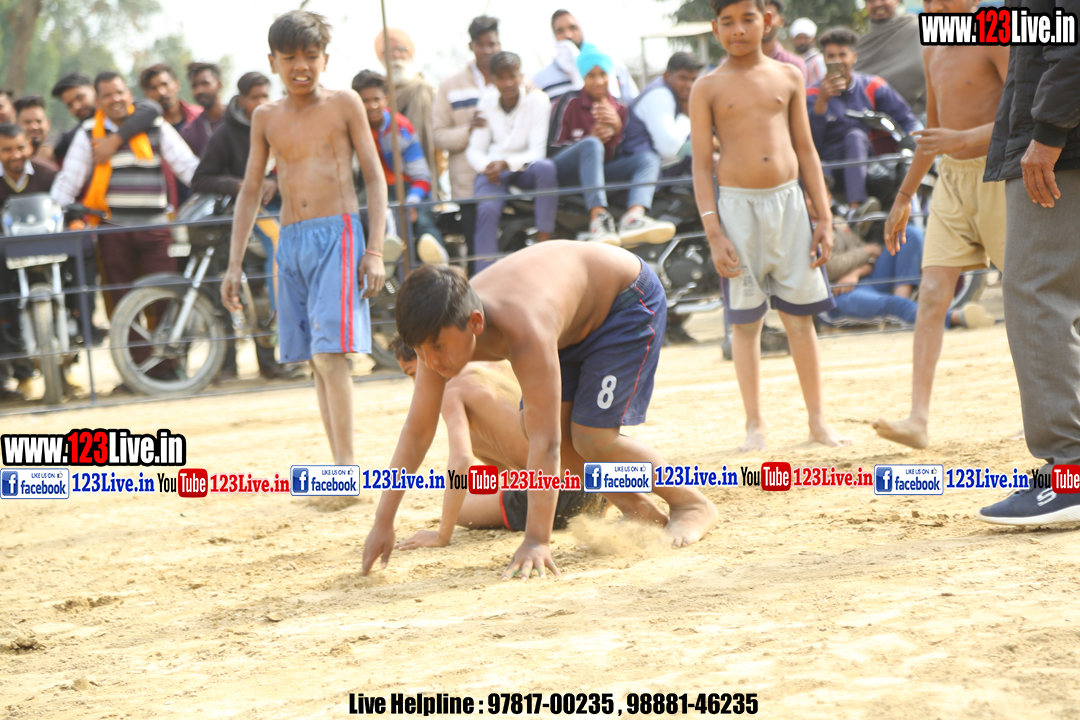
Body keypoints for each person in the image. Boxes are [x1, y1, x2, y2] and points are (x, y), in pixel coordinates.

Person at [361, 245, 719, 580]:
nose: (430, 361)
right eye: (420, 351)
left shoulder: (523, 327)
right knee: (533, 427)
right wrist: (383, 521)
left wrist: (536, 540)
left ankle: (690, 504)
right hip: (568, 321)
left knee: (591, 437)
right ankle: (639, 511)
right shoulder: (434, 341)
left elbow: (546, 443)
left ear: (475, 323)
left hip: (623, 301)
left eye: (437, 347)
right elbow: (417, 432)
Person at [220, 10, 387, 465]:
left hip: (339, 236)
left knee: (331, 356)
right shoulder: (265, 116)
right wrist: (234, 265)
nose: (301, 66)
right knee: (316, 358)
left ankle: (346, 471)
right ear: (272, 61)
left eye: (310, 55)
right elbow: (250, 191)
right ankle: (339, 468)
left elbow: (374, 177)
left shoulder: (345, 103)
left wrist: (374, 249)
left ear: (325, 59)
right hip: (290, 241)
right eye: (290, 56)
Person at [691, 0, 850, 452]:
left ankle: (818, 422)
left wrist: (824, 217)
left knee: (800, 320)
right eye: (727, 22)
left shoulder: (789, 76)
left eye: (747, 19)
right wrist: (714, 232)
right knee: (746, 325)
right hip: (736, 210)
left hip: (790, 206)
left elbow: (806, 150)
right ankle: (754, 425)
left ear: (767, 21)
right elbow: (701, 165)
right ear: (715, 29)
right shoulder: (706, 87)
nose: (738, 30)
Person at [872, 0, 1008, 450]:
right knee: (931, 293)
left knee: (1029, 299)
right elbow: (932, 130)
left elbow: (1024, 114)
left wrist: (964, 138)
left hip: (1001, 175)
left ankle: (1051, 412)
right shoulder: (932, 47)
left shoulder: (997, 33)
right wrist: (904, 196)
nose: (934, 6)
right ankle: (918, 419)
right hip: (950, 180)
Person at [974, 0, 1080, 525]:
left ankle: (1069, 473)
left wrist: (1048, 132)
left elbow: (1071, 41)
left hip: (1064, 148)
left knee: (1037, 291)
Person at [388, 336, 636, 549]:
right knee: (482, 474)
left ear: (429, 359)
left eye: (414, 374)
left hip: (559, 496)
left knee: (458, 505)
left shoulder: (451, 390)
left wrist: (442, 534)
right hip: (600, 480)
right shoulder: (495, 362)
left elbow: (462, 458)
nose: (417, 386)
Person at [50, 72, 199, 319]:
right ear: (98, 101)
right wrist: (52, 213)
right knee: (122, 302)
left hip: (155, 229)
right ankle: (132, 347)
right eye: (107, 95)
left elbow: (188, 168)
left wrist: (217, 185)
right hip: (113, 231)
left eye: (120, 92)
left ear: (129, 95)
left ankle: (168, 346)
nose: (115, 99)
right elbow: (68, 182)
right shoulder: (89, 133)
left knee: (165, 298)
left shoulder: (156, 126)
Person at [191, 71, 299, 381]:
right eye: (255, 97)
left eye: (266, 95)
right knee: (276, 244)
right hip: (245, 215)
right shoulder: (226, 134)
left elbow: (296, 166)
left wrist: (275, 183)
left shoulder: (283, 124)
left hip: (287, 207)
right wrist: (242, 185)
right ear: (241, 100)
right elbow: (202, 178)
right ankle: (279, 323)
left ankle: (277, 356)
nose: (262, 102)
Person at [550, 47, 674, 246]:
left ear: (611, 75)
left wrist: (616, 130)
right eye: (591, 76)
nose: (598, 81)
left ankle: (634, 217)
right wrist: (588, 141)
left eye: (603, 74)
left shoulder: (620, 107)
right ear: (583, 77)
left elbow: (621, 155)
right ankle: (599, 220)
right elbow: (551, 150)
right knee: (591, 144)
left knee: (648, 158)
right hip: (567, 173)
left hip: (601, 175)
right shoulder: (568, 102)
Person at [807, 27, 919, 213]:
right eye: (831, 56)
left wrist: (912, 148)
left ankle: (856, 208)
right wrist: (822, 103)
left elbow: (907, 120)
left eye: (843, 54)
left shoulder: (873, 86)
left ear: (854, 57)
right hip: (827, 167)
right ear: (824, 59)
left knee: (855, 136)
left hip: (864, 165)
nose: (837, 61)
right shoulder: (812, 94)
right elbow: (809, 143)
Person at [466, 52, 556, 272]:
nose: (508, 83)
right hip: (494, 170)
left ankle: (544, 249)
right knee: (486, 209)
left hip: (525, 168)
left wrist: (506, 163)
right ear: (492, 79)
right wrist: (486, 167)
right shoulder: (486, 102)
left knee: (547, 168)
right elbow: (475, 149)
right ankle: (484, 277)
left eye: (512, 76)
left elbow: (537, 152)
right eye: (501, 78)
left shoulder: (538, 100)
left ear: (521, 75)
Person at [433, 15, 505, 270]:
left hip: (509, 182)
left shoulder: (514, 79)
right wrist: (469, 129)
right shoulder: (450, 86)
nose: (487, 50)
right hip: (469, 188)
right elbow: (439, 136)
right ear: (471, 46)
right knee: (477, 258)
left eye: (492, 44)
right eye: (481, 44)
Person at [352, 70, 447, 264]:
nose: (372, 106)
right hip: (371, 189)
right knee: (358, 212)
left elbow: (422, 176)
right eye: (365, 101)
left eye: (376, 99)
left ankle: (438, 258)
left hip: (406, 187)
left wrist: (411, 202)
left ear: (386, 99)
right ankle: (381, 257)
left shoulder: (401, 129)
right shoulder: (351, 129)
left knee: (423, 221)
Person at [0, 123, 59, 398]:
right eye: (6, 149)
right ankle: (18, 371)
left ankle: (77, 333)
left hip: (48, 250)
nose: (15, 155)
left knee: (78, 266)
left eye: (21, 147)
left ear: (30, 146)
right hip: (6, 256)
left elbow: (64, 204)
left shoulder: (48, 174)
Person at [374, 28, 439, 193]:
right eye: (388, 50)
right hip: (385, 180)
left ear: (410, 53)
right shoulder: (373, 96)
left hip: (420, 174)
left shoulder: (424, 89)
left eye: (401, 49)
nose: (395, 55)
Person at [50, 73, 162, 169]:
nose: (77, 106)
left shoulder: (129, 111)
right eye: (70, 105)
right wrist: (48, 145)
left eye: (80, 98)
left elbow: (152, 109)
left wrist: (115, 139)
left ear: (94, 90)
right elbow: (64, 138)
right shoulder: (85, 131)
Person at [621, 53, 702, 177]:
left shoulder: (673, 94)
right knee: (698, 148)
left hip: (653, 167)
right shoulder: (660, 95)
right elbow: (669, 149)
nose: (689, 85)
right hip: (638, 171)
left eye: (693, 80)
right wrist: (685, 116)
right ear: (667, 75)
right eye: (683, 78)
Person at [533, 10, 638, 102]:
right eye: (560, 31)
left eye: (573, 27)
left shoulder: (613, 66)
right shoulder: (541, 79)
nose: (568, 35)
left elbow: (632, 105)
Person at [139, 63, 204, 208]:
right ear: (147, 94)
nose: (161, 92)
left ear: (176, 84)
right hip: (169, 207)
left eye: (165, 84)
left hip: (204, 202)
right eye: (153, 88)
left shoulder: (201, 118)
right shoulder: (147, 131)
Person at [855, 0, 927, 118]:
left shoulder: (919, 27)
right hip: (874, 121)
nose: (878, 4)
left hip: (921, 115)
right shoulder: (860, 47)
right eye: (871, 1)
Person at [181, 62, 228, 159]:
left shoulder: (240, 120)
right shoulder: (189, 132)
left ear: (219, 84)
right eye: (194, 86)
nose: (200, 90)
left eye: (205, 84)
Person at [13, 96, 56, 169]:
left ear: (48, 124)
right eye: (27, 122)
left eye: (39, 121)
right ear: (16, 125)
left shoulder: (60, 152)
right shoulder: (10, 159)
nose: (34, 127)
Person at [791, 18, 826, 88]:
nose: (802, 42)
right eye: (798, 38)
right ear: (793, 40)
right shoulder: (791, 60)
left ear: (813, 39)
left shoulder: (818, 60)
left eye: (806, 37)